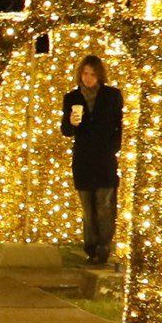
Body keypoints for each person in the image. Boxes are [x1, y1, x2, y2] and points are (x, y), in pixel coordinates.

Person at [60, 54, 124, 266]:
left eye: (92, 74)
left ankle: (103, 247)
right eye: (85, 74)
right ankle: (91, 247)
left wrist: (113, 148)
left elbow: (118, 125)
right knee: (88, 207)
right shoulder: (72, 98)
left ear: (99, 75)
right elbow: (66, 131)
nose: (88, 78)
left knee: (105, 204)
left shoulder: (112, 96)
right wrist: (72, 122)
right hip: (84, 158)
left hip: (104, 158)